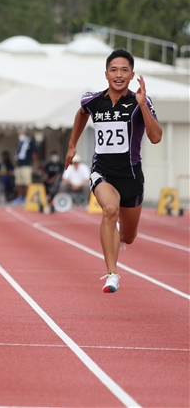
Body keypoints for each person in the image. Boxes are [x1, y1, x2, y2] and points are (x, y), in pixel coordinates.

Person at [65, 49, 161, 294]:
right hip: (103, 172)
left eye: (124, 70)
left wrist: (142, 105)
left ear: (132, 75)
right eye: (114, 70)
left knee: (128, 237)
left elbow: (156, 137)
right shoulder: (93, 100)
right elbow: (81, 114)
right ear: (106, 73)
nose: (119, 74)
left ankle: (119, 235)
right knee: (109, 210)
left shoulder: (140, 101)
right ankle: (112, 274)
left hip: (131, 177)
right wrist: (72, 146)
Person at [13, 130, 33, 203]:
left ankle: (26, 197)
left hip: (26, 165)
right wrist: (15, 164)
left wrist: (35, 164)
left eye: (22, 133)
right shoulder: (19, 143)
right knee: (19, 183)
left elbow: (34, 154)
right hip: (19, 165)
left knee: (26, 182)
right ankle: (20, 197)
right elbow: (16, 155)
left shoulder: (30, 142)